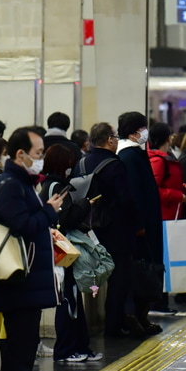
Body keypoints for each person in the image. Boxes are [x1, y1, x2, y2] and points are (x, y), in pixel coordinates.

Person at [0, 128, 65, 371]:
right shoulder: (11, 185)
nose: (41, 159)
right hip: (17, 280)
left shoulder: (23, 183)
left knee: (24, 345)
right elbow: (21, 224)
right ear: (19, 154)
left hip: (27, 281)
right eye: (37, 153)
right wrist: (48, 211)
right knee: (18, 349)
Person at [80, 122, 144, 338]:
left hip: (87, 231)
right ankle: (113, 327)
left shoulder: (82, 163)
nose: (117, 141)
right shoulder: (115, 165)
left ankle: (88, 325)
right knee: (118, 281)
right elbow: (126, 199)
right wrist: (138, 223)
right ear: (109, 140)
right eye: (115, 137)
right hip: (116, 231)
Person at [39, 145, 101, 365]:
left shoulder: (47, 184)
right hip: (61, 249)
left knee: (73, 297)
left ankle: (79, 345)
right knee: (68, 299)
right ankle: (66, 349)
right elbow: (64, 218)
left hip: (59, 248)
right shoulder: (56, 186)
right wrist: (84, 204)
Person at [117, 112, 166, 327]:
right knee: (141, 271)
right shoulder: (129, 156)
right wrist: (139, 224)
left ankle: (141, 315)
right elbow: (134, 193)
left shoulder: (134, 154)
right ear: (134, 131)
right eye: (142, 128)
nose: (145, 132)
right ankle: (135, 315)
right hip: (142, 227)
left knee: (144, 269)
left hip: (145, 224)